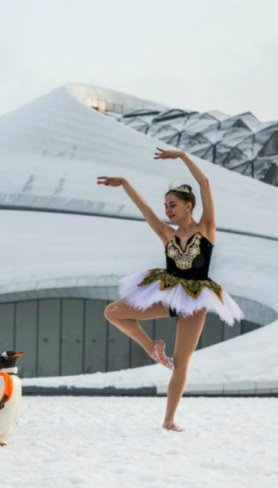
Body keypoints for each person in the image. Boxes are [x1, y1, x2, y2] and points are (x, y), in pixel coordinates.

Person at [96, 147, 244, 432]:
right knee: (113, 312)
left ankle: (168, 420)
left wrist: (183, 157)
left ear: (189, 206)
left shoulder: (207, 228)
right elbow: (144, 210)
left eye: (172, 204)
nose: (167, 210)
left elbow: (205, 184)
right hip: (167, 291)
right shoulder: (167, 234)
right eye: (165, 205)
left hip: (196, 297)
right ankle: (152, 348)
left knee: (181, 363)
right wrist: (125, 183)